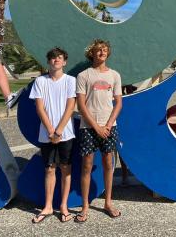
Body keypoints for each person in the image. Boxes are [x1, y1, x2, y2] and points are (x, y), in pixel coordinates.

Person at [76, 39, 122, 222]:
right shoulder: (83, 76)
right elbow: (81, 105)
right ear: (92, 54)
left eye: (104, 50)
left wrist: (108, 125)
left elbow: (118, 103)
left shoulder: (115, 75)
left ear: (108, 53)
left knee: (108, 165)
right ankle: (85, 206)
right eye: (98, 50)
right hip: (88, 128)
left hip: (109, 127)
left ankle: (108, 202)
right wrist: (96, 127)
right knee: (86, 166)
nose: (101, 52)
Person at [29, 47, 76, 224]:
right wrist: (50, 130)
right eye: (53, 58)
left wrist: (59, 130)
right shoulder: (40, 82)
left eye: (59, 58)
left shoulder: (71, 81)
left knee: (66, 169)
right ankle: (48, 206)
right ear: (48, 62)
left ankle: (64, 206)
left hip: (66, 133)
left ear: (64, 62)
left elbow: (71, 106)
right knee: (49, 169)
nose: (56, 60)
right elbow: (39, 108)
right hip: (46, 134)